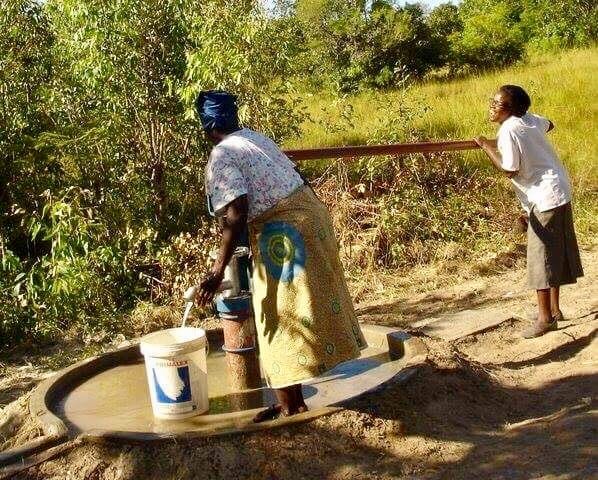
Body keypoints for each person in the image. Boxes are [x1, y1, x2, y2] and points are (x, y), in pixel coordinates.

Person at [194, 90, 367, 421]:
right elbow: (295, 176)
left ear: (207, 126)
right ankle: (291, 399)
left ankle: (291, 408)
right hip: (311, 216)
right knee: (294, 310)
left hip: (285, 233)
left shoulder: (221, 155)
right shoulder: (254, 138)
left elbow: (238, 210)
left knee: (276, 317)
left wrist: (217, 273)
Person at [475, 85, 583, 339]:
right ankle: (555, 310)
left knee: (541, 257)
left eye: (497, 103)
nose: (492, 106)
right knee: (555, 251)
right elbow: (550, 124)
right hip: (558, 189)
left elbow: (509, 168)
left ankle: (545, 319)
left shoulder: (509, 129)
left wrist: (486, 145)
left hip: (544, 198)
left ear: (511, 110)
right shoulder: (530, 120)